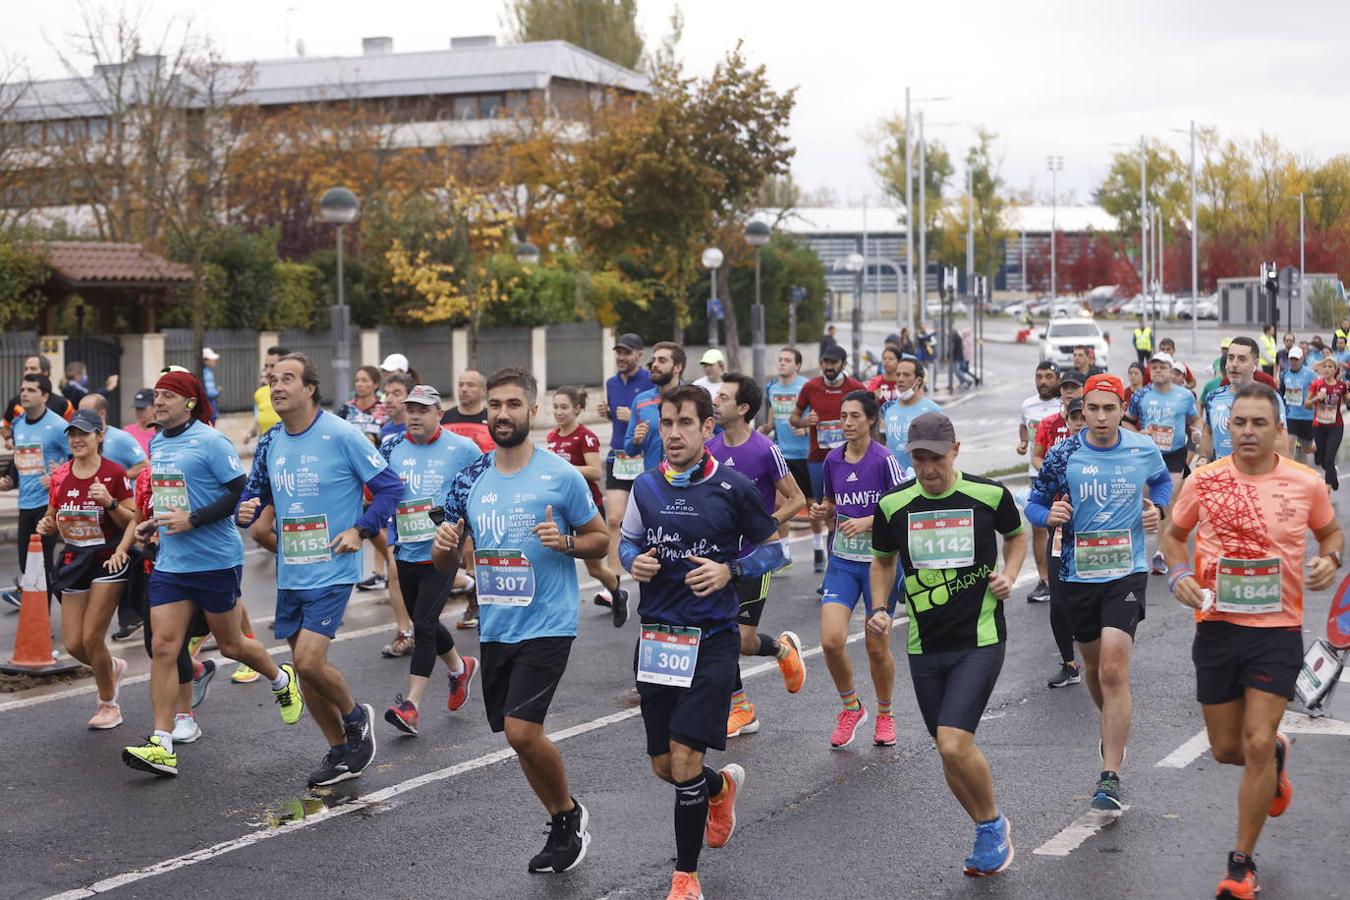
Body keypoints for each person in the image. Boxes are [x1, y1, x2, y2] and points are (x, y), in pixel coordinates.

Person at [1160, 380, 1343, 900]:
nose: (1246, 431)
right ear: (1227, 425)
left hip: (1277, 629)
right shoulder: (1205, 480)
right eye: (1238, 422)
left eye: (1259, 422)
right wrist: (1177, 576)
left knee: (1257, 740)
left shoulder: (1306, 483)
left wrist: (1329, 559)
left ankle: (1241, 864)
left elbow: (1331, 534)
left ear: (1279, 431)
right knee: (1226, 749)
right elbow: (1172, 535)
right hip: (1216, 625)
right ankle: (1275, 762)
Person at [432, 366, 609, 875]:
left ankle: (570, 815)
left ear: (532, 411)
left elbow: (601, 539)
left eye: (513, 405)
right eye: (495, 405)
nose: (502, 414)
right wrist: (444, 549)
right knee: (516, 736)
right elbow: (448, 560)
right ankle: (560, 819)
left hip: (549, 622)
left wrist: (568, 543)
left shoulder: (560, 475)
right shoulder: (471, 478)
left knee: (521, 731)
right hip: (497, 626)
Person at [619, 384, 784, 900]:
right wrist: (633, 562)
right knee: (665, 767)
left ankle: (685, 876)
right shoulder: (646, 487)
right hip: (658, 638)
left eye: (684, 424)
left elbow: (775, 553)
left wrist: (728, 569)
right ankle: (720, 788)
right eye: (667, 424)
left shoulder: (734, 488)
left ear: (707, 429)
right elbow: (626, 541)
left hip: (712, 639)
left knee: (684, 759)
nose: (672, 434)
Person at [121, 369, 304, 778]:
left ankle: (280, 677)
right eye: (156, 395)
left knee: (233, 645)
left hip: (215, 560)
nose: (159, 401)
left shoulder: (209, 440)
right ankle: (162, 743)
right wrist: (156, 521)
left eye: (167, 395)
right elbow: (174, 495)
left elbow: (241, 489)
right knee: (165, 648)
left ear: (189, 402)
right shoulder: (159, 444)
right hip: (171, 562)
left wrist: (195, 518)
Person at [870, 412, 1027, 877]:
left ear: (954, 451)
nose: (927, 469)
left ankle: (993, 825)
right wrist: (880, 607)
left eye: (935, 458)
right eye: (918, 458)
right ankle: (986, 826)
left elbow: (1016, 537)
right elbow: (882, 562)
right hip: (923, 644)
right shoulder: (894, 505)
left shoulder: (988, 494)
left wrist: (1010, 575)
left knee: (954, 742)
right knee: (946, 748)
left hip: (979, 638)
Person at [237, 353, 400, 787]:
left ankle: (354, 717)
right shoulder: (271, 441)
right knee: (304, 669)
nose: (277, 386)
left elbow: (390, 489)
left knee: (309, 661)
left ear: (310, 388)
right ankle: (339, 751)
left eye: (287, 379)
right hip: (292, 571)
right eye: (273, 379)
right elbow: (253, 496)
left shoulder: (341, 434)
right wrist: (245, 512)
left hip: (333, 567)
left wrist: (361, 529)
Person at [1025, 373, 1172, 811]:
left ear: (1122, 408)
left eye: (1110, 408)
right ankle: (1111, 725)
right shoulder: (1063, 452)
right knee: (1094, 669)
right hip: (1075, 574)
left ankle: (1110, 774)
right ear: (1082, 410)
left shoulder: (1142, 447)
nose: (1102, 417)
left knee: (1112, 669)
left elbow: (1162, 482)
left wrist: (1157, 508)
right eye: (1094, 409)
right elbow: (1032, 502)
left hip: (1126, 571)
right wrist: (1048, 514)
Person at [706, 374, 807, 738]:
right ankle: (744, 704)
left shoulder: (766, 450)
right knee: (727, 637)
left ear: (743, 408)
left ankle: (776, 659)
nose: (715, 402)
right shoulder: (711, 449)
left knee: (739, 640)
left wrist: (767, 522)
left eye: (723, 397)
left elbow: (797, 499)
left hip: (754, 557)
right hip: (718, 559)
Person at [378, 385, 482, 735]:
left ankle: (411, 706)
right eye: (410, 409)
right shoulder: (391, 445)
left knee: (422, 625)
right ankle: (459, 667)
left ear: (440, 413)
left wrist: (471, 534)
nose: (415, 416)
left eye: (423, 410)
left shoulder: (462, 448)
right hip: (406, 549)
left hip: (444, 549)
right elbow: (380, 488)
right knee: (426, 621)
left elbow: (480, 489)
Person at [810, 390, 906, 749]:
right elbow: (831, 504)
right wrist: (823, 512)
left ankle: (885, 714)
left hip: (880, 565)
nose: (846, 423)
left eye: (854, 416)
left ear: (871, 420)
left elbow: (899, 508)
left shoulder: (883, 460)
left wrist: (869, 521)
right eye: (843, 416)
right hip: (843, 562)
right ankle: (851, 707)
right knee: (831, 641)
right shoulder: (833, 460)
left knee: (876, 646)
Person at [35, 410, 135, 728]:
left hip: (108, 559)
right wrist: (46, 524)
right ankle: (111, 666)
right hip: (75, 560)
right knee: (75, 644)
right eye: (72, 434)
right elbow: (52, 520)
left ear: (100, 436)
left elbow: (132, 520)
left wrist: (109, 502)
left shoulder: (114, 473)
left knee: (93, 637)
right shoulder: (62, 475)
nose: (77, 439)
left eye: (84, 433)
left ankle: (108, 705)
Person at [547, 385, 629, 625]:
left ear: (577, 409)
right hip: (560, 509)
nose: (559, 412)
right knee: (556, 560)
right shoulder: (551, 437)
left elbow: (595, 471)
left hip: (586, 508)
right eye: (555, 407)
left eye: (564, 407)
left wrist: (566, 469)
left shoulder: (585, 436)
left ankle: (617, 594)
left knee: (594, 569)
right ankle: (557, 614)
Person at [1123, 351, 1198, 574]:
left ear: (1170, 370)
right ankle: (1134, 549)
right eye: (1153, 367)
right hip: (1148, 453)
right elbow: (1126, 421)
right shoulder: (1141, 395)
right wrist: (1139, 432)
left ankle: (1160, 553)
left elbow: (1195, 419)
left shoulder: (1185, 395)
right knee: (1145, 502)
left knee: (1165, 503)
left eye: (1162, 367)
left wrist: (1197, 431)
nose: (1157, 370)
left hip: (1174, 454)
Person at [0, 373, 69, 609]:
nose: (24, 394)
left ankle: (43, 622)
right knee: (25, 564)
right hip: (25, 503)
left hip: (46, 504)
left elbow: (79, 459)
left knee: (42, 564)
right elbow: (21, 457)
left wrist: (58, 476)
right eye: (23, 389)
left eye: (31, 390)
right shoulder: (18, 424)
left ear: (45, 396)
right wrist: (10, 479)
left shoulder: (58, 425)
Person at [790, 344, 866, 557]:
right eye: (825, 362)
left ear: (843, 364)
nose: (829, 366)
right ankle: (831, 558)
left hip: (851, 459)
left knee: (849, 507)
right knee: (825, 509)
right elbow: (793, 419)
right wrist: (806, 421)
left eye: (833, 362)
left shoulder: (856, 388)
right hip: (818, 458)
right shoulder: (811, 387)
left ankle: (849, 557)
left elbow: (872, 418)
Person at [598, 333, 653, 594]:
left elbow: (657, 417)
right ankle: (614, 587)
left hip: (644, 458)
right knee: (614, 519)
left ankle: (653, 574)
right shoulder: (611, 383)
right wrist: (608, 413)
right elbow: (616, 417)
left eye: (627, 353)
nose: (621, 357)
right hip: (619, 456)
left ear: (639, 356)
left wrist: (633, 416)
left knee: (650, 521)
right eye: (618, 352)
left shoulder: (650, 381)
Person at [1201, 337, 1287, 463]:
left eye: (1242, 359)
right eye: (1231, 358)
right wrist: (1203, 457)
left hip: (1255, 477)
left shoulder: (1270, 398)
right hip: (1221, 478)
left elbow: (1282, 446)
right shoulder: (1213, 397)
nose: (1234, 364)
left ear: (1255, 365)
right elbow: (1208, 433)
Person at [1018, 361, 1061, 604]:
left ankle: (1063, 576)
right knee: (1038, 527)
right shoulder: (1027, 405)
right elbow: (1024, 427)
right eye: (1039, 376)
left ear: (1057, 378)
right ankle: (1044, 580)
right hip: (1037, 474)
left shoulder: (1064, 404)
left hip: (1063, 477)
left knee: (1062, 525)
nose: (1043, 381)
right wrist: (1023, 443)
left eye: (1048, 376)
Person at [625, 342, 687, 474]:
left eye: (662, 361)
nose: (654, 365)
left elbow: (718, 434)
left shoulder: (694, 398)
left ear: (677, 367)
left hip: (687, 480)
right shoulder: (641, 400)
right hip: (654, 482)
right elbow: (629, 450)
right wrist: (636, 441)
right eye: (654, 360)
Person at [880, 358, 942, 473]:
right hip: (895, 481)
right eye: (898, 375)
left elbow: (943, 450)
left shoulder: (933, 410)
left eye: (906, 375)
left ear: (918, 380)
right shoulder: (889, 410)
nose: (900, 379)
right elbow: (887, 445)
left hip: (923, 479)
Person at [1, 355, 74, 449]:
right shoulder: (16, 402)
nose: (27, 372)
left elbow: (74, 432)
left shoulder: (64, 404)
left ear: (45, 372)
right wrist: (9, 438)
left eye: (33, 368)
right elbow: (4, 425)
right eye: (26, 369)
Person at [77, 393, 147, 478]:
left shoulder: (121, 438)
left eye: (87, 413)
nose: (81, 417)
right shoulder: (78, 440)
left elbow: (145, 466)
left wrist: (115, 479)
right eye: (79, 412)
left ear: (102, 413)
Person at [1305, 355, 1346, 490]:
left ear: (1336, 370)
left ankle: (1327, 489)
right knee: (1323, 461)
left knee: (1329, 458)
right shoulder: (1316, 384)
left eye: (1330, 367)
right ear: (1322, 369)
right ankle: (1332, 477)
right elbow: (1307, 405)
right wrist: (1316, 398)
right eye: (1325, 366)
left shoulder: (1341, 386)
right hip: (1319, 426)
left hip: (1336, 426)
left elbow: (1347, 400)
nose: (1327, 369)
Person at [1278, 347, 1316, 465]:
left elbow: (1319, 387)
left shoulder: (1310, 374)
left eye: (1296, 359)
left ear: (1301, 359)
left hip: (1307, 416)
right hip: (1291, 415)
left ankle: (1322, 450)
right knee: (1289, 446)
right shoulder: (1284, 374)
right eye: (1291, 359)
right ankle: (1291, 475)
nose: (1293, 362)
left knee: (1307, 448)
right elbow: (1281, 392)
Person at [441, 368, 494, 452]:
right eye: (461, 385)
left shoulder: (493, 419)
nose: (464, 389)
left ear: (483, 390)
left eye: (470, 385)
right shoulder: (443, 419)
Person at [244, 346, 286, 446]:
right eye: (266, 366)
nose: (268, 371)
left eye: (272, 366)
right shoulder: (259, 393)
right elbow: (258, 419)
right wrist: (250, 434)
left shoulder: (294, 393)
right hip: (264, 450)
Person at [337, 365, 388, 446]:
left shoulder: (383, 410)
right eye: (357, 381)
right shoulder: (346, 408)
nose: (359, 384)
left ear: (376, 384)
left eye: (364, 381)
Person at [379, 372, 413, 442]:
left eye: (396, 394)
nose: (388, 400)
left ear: (410, 397)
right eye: (386, 394)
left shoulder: (419, 429)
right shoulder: (384, 430)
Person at [123, 389, 158, 456]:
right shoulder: (127, 431)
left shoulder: (161, 433)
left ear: (154, 407)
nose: (139, 412)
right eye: (137, 408)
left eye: (142, 408)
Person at [201, 348, 221, 422]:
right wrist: (218, 391)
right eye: (211, 359)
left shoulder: (206, 372)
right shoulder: (207, 373)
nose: (214, 361)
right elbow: (210, 393)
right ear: (205, 360)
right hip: (209, 406)